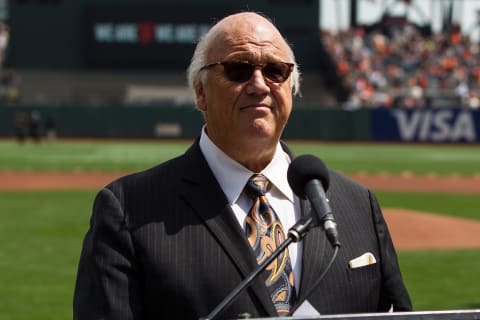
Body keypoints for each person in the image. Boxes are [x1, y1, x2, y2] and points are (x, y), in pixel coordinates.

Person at [73, 12, 412, 320]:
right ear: (200, 92)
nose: (260, 84)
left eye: (275, 71)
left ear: (292, 89)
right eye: (238, 69)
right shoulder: (130, 210)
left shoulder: (356, 205)